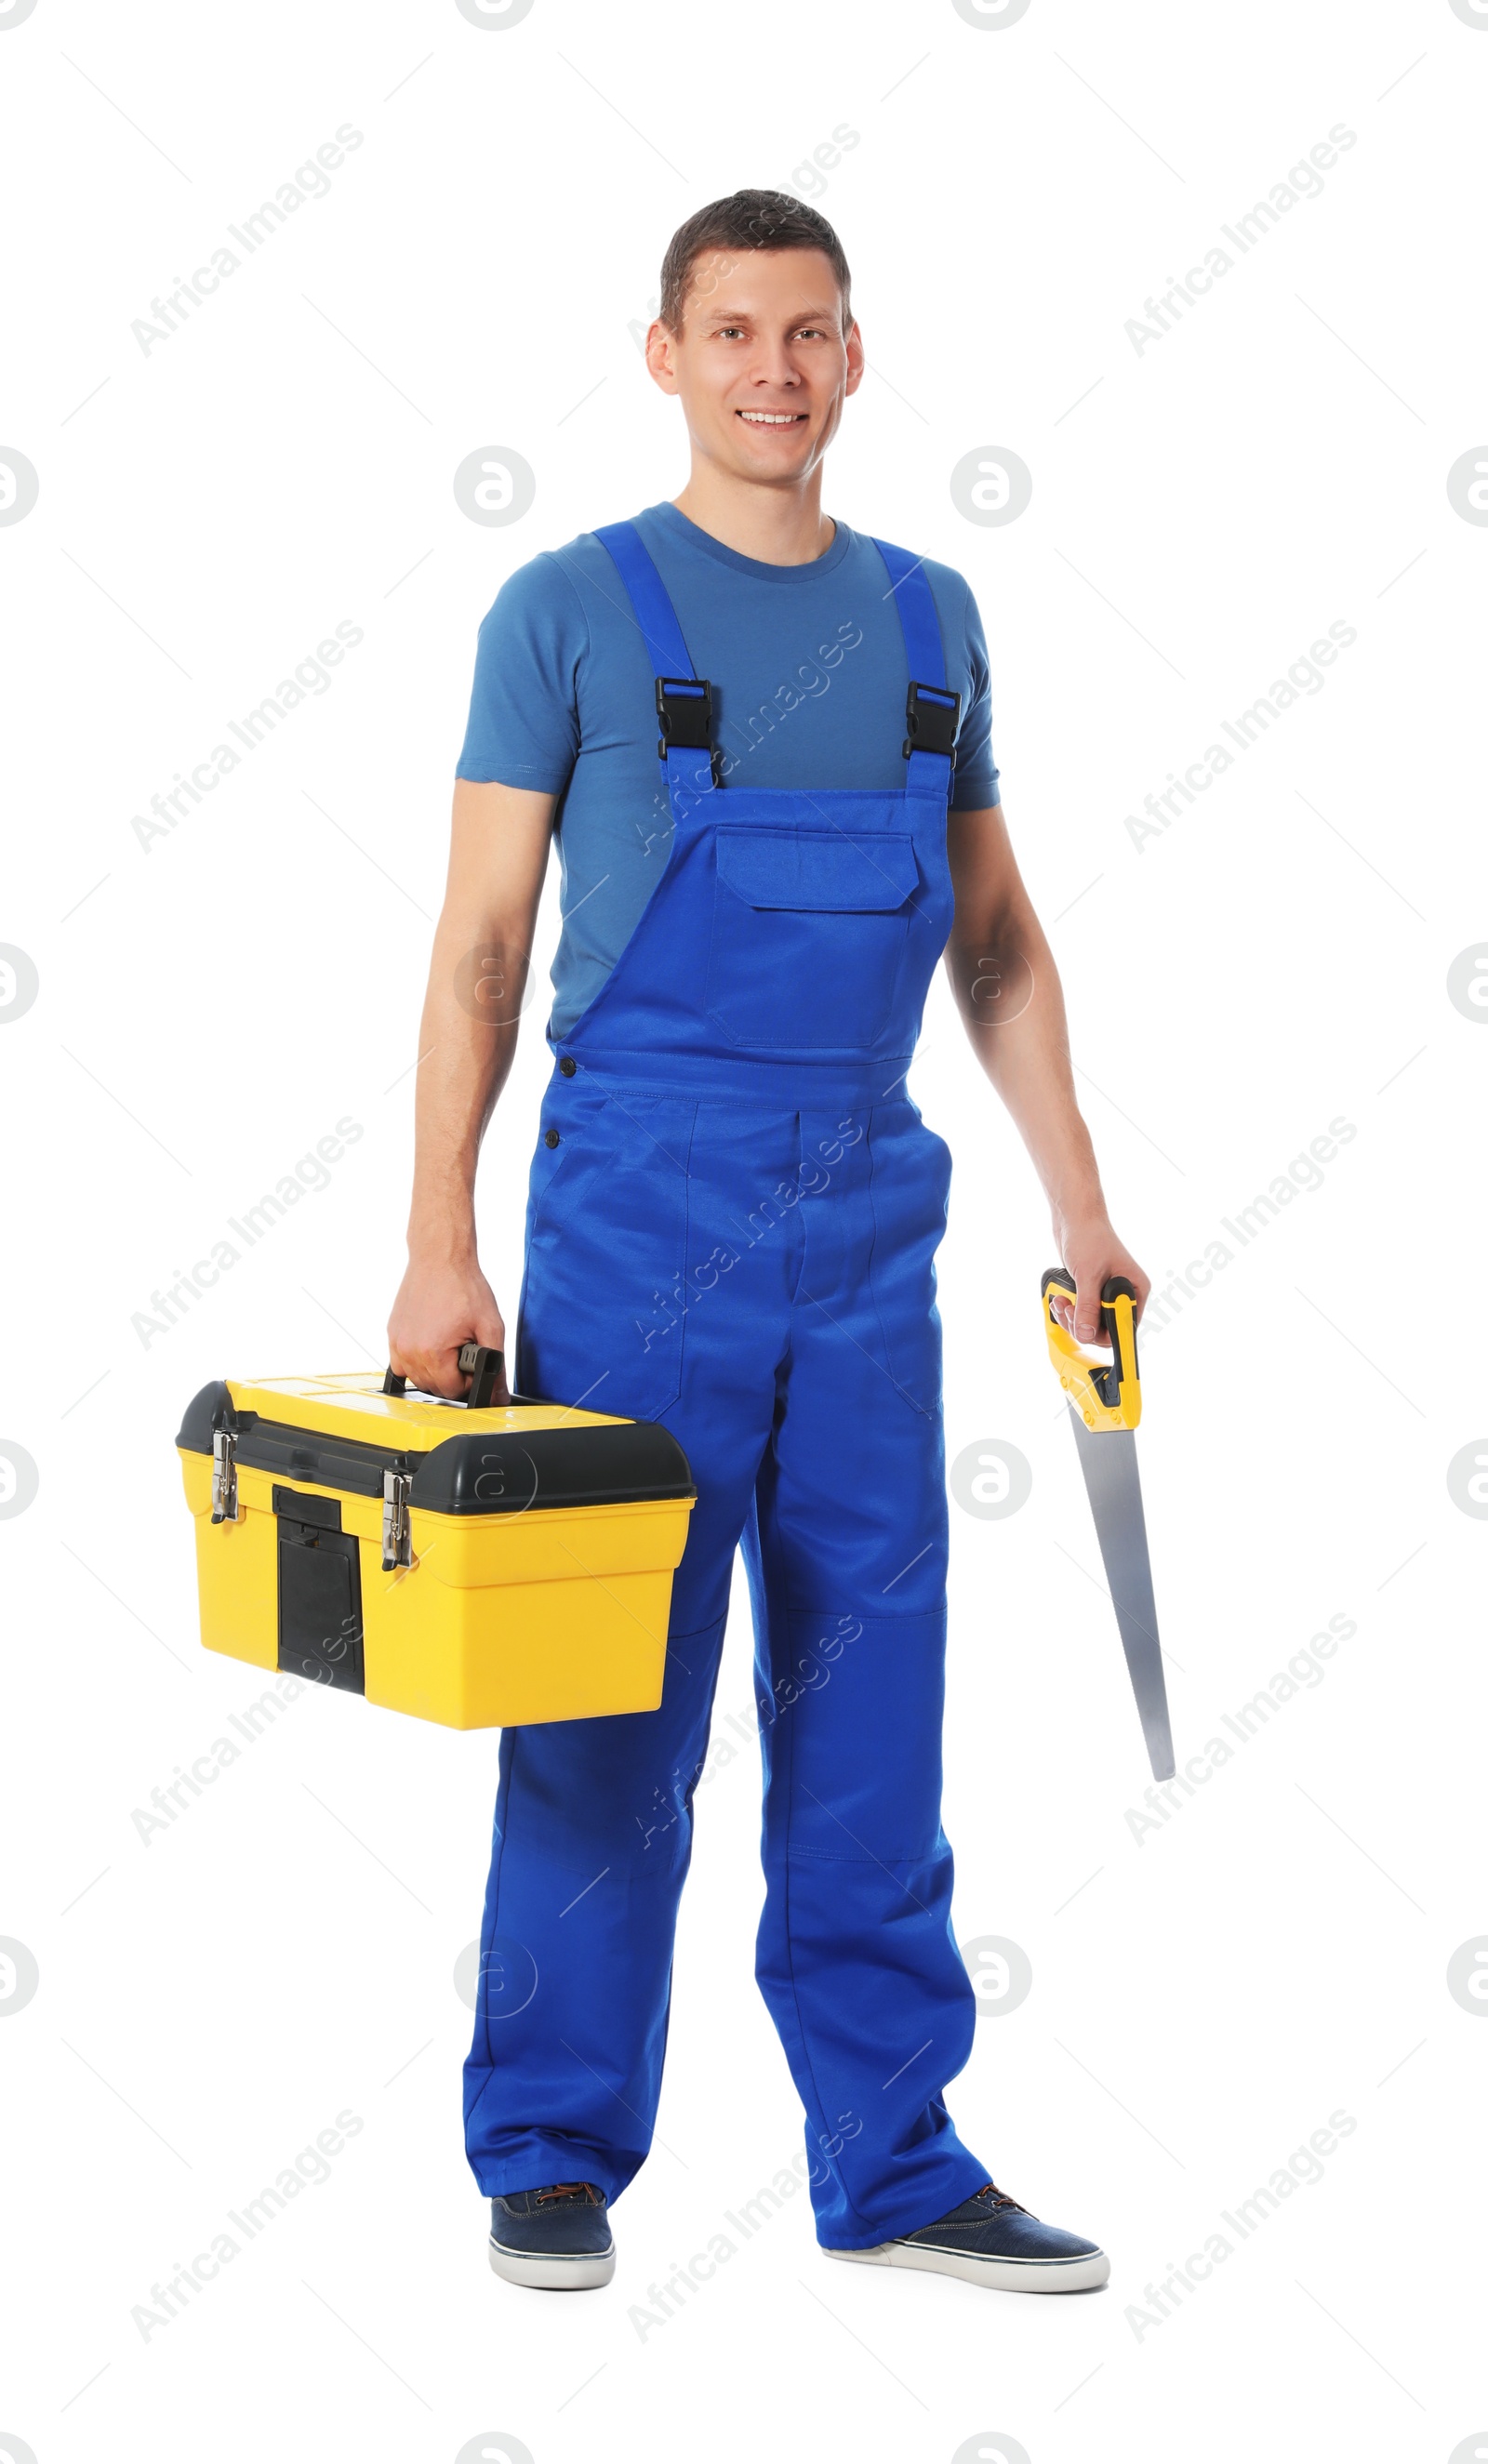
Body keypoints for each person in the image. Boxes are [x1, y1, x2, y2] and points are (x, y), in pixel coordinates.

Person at [388, 190, 1148, 2298]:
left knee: (873, 1696)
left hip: (871, 1233)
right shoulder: (566, 609)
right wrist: (436, 1240)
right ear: (663, 355)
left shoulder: (929, 620)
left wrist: (1077, 1203)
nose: (769, 371)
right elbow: (477, 943)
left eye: (805, 332)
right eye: (729, 332)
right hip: (635, 1214)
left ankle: (894, 2158)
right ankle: (547, 2144)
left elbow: (991, 944)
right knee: (602, 1704)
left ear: (851, 354)